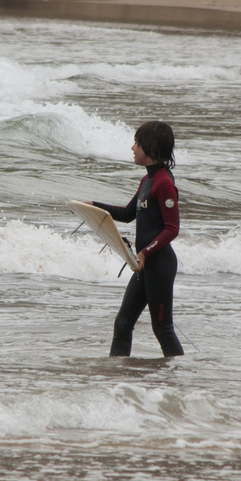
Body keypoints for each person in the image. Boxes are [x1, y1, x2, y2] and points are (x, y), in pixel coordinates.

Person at [90, 120, 183, 358]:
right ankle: (119, 372)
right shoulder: (147, 180)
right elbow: (127, 214)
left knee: (162, 328)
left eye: (136, 144)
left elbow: (172, 228)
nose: (132, 148)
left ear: (149, 147)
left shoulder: (164, 182)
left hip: (159, 265)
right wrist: (92, 206)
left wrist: (144, 252)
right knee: (123, 323)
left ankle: (179, 374)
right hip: (145, 265)